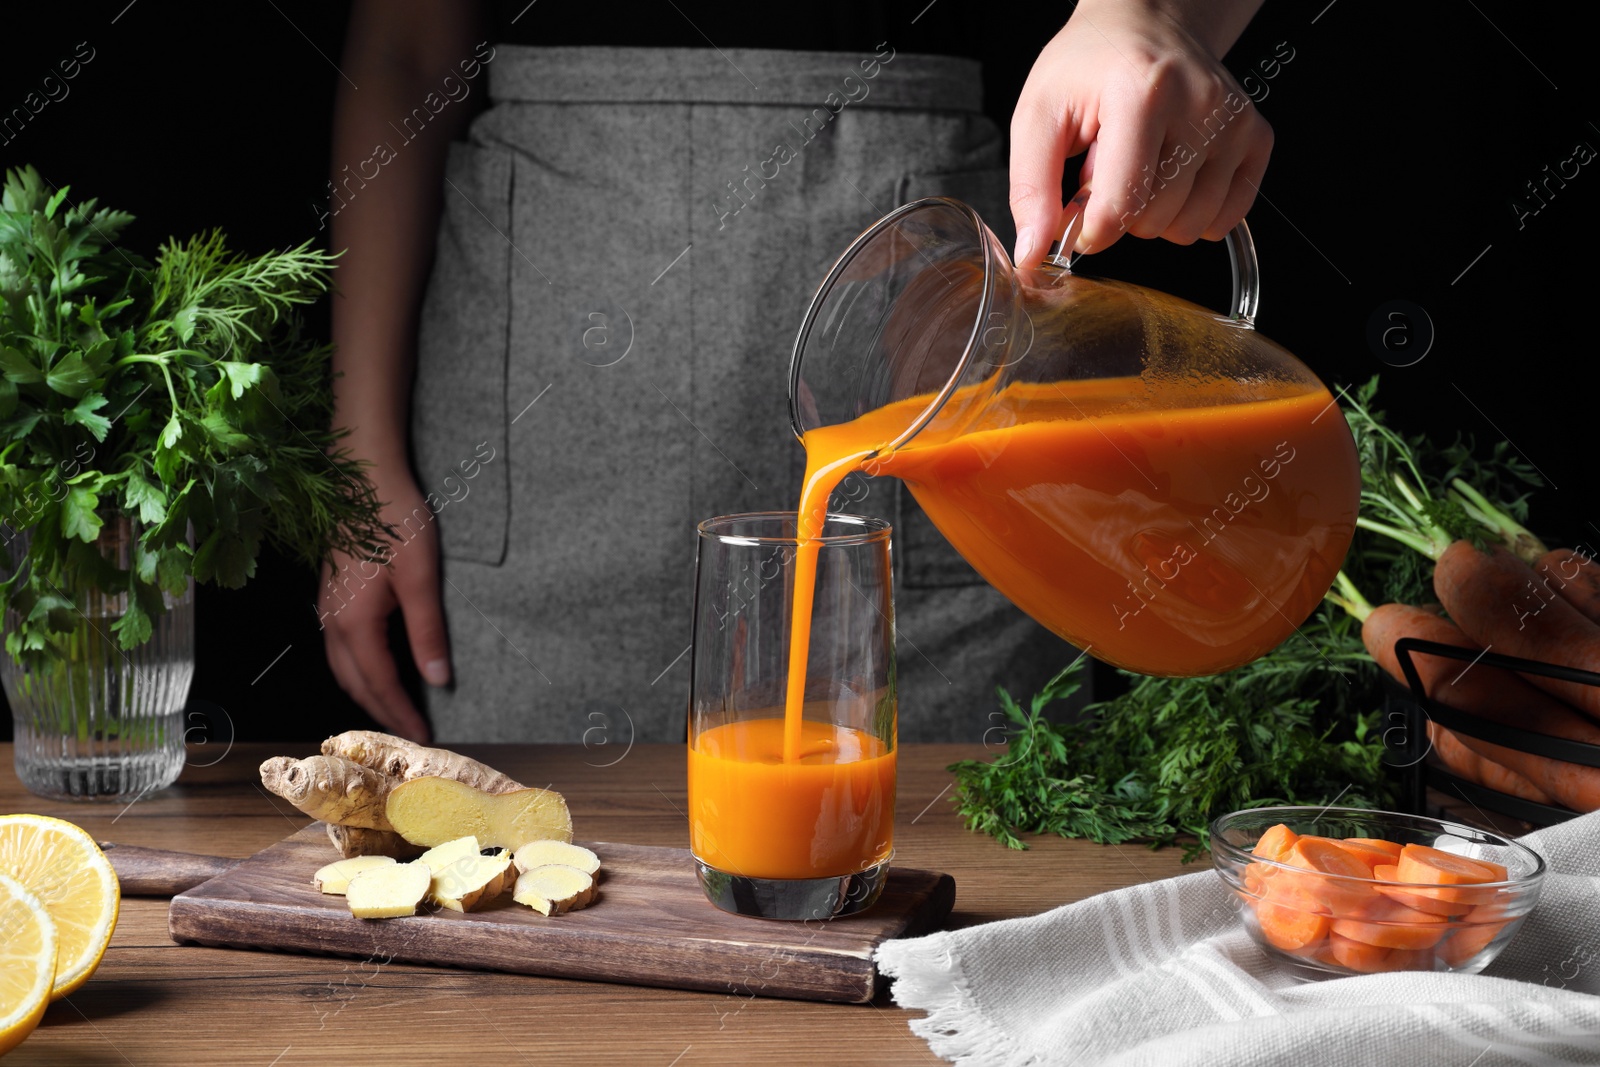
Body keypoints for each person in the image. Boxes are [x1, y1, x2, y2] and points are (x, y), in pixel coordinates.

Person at [318, 0, 1273, 744]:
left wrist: (1148, 12)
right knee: (526, 897)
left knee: (957, 894)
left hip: (931, 326)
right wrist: (356, 449)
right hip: (542, 377)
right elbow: (406, 47)